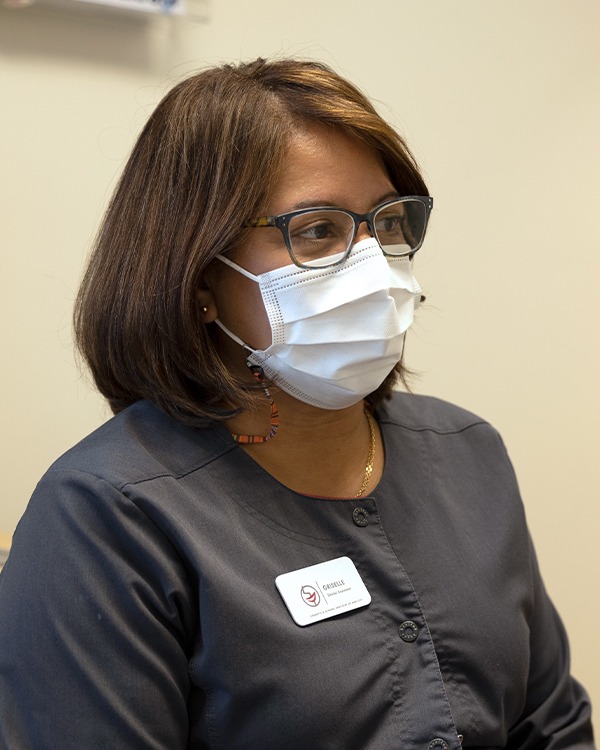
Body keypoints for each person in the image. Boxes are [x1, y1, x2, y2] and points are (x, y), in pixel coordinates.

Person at [0, 58, 593, 750]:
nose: (374, 266)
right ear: (199, 278)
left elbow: (550, 727)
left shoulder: (467, 452)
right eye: (317, 231)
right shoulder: (108, 514)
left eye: (387, 223)